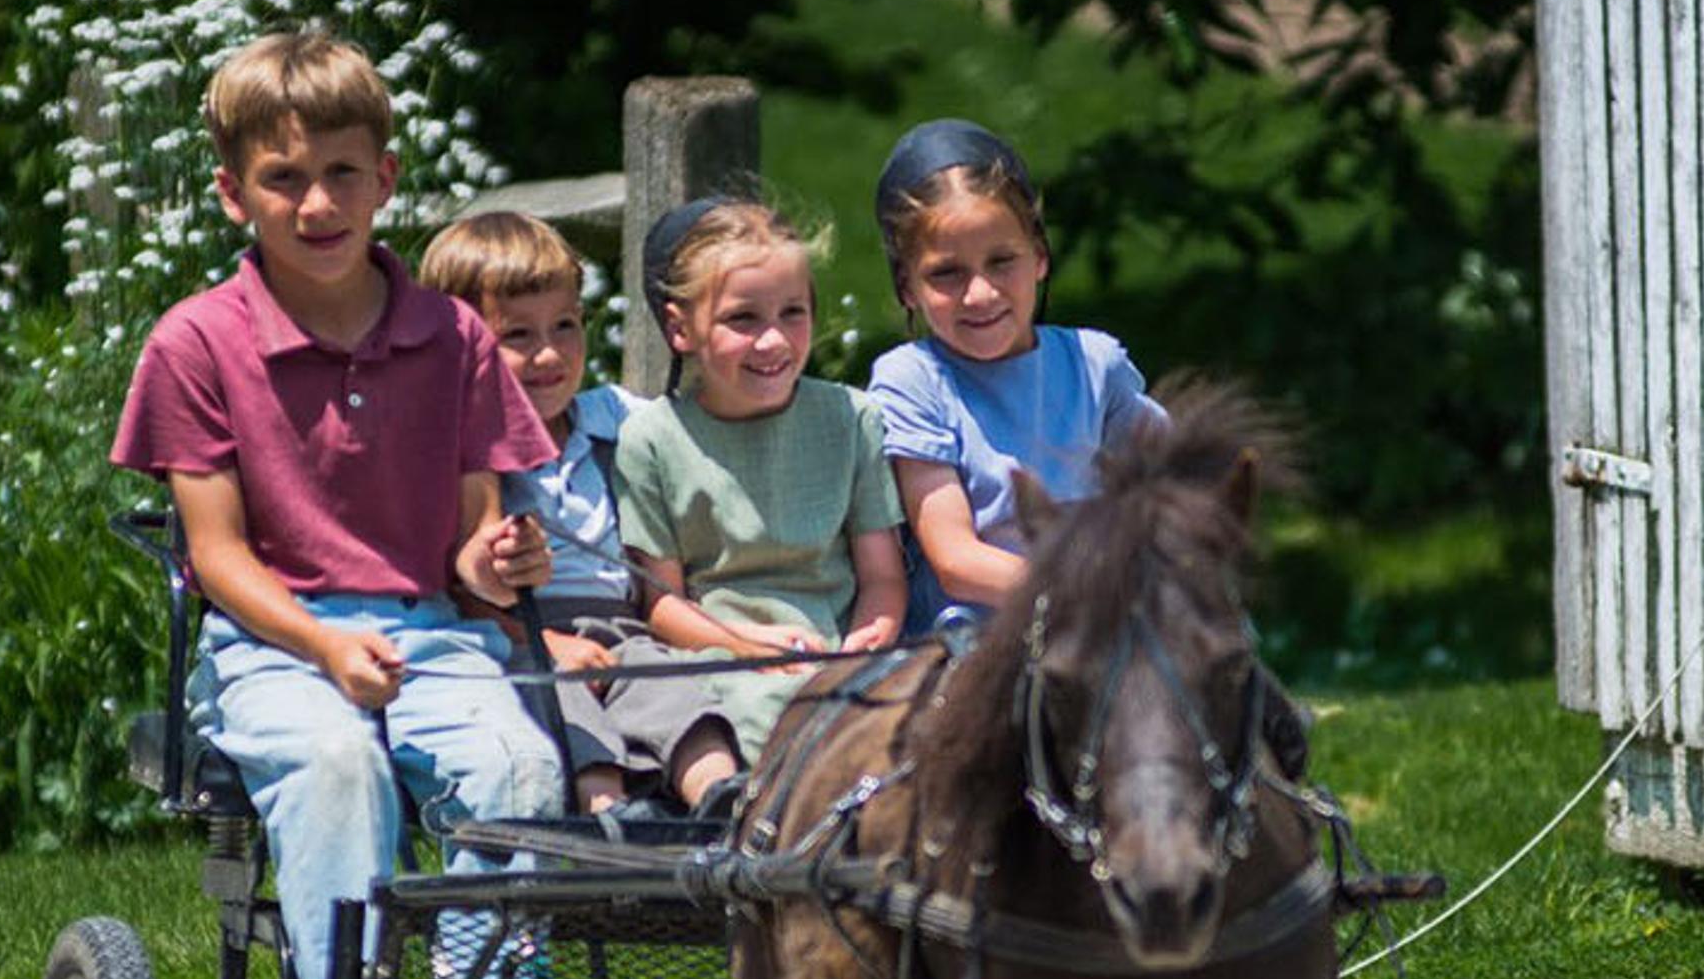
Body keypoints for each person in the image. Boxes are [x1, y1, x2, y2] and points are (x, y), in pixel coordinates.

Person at [108, 29, 560, 979]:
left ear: (387, 179)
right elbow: (214, 557)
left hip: (433, 639)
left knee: (519, 765)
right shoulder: (197, 344)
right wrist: (321, 646)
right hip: (273, 648)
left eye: (342, 174)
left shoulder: (452, 335)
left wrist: (501, 562)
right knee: (338, 765)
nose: (318, 203)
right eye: (284, 179)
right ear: (232, 194)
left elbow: (472, 546)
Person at [415, 210, 714, 816]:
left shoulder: (614, 421)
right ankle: (608, 818)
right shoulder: (457, 451)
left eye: (566, 326)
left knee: (671, 687)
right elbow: (457, 589)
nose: (549, 354)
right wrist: (545, 641)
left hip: (625, 626)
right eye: (517, 336)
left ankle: (718, 799)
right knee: (561, 697)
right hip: (515, 634)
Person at [611, 197, 906, 809]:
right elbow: (661, 602)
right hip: (721, 652)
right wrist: (749, 649)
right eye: (743, 319)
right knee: (763, 712)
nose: (773, 340)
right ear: (680, 329)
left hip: (833, 647)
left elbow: (882, 576)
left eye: (792, 313)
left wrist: (864, 646)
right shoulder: (653, 440)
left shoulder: (850, 419)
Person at [860, 117, 1168, 628]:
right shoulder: (911, 381)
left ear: (1041, 258)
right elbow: (956, 559)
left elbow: (1175, 481)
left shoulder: (1095, 364)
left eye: (1001, 261)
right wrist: (1088, 592)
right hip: (976, 639)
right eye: (945, 273)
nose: (980, 294)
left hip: (1098, 626)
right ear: (906, 288)